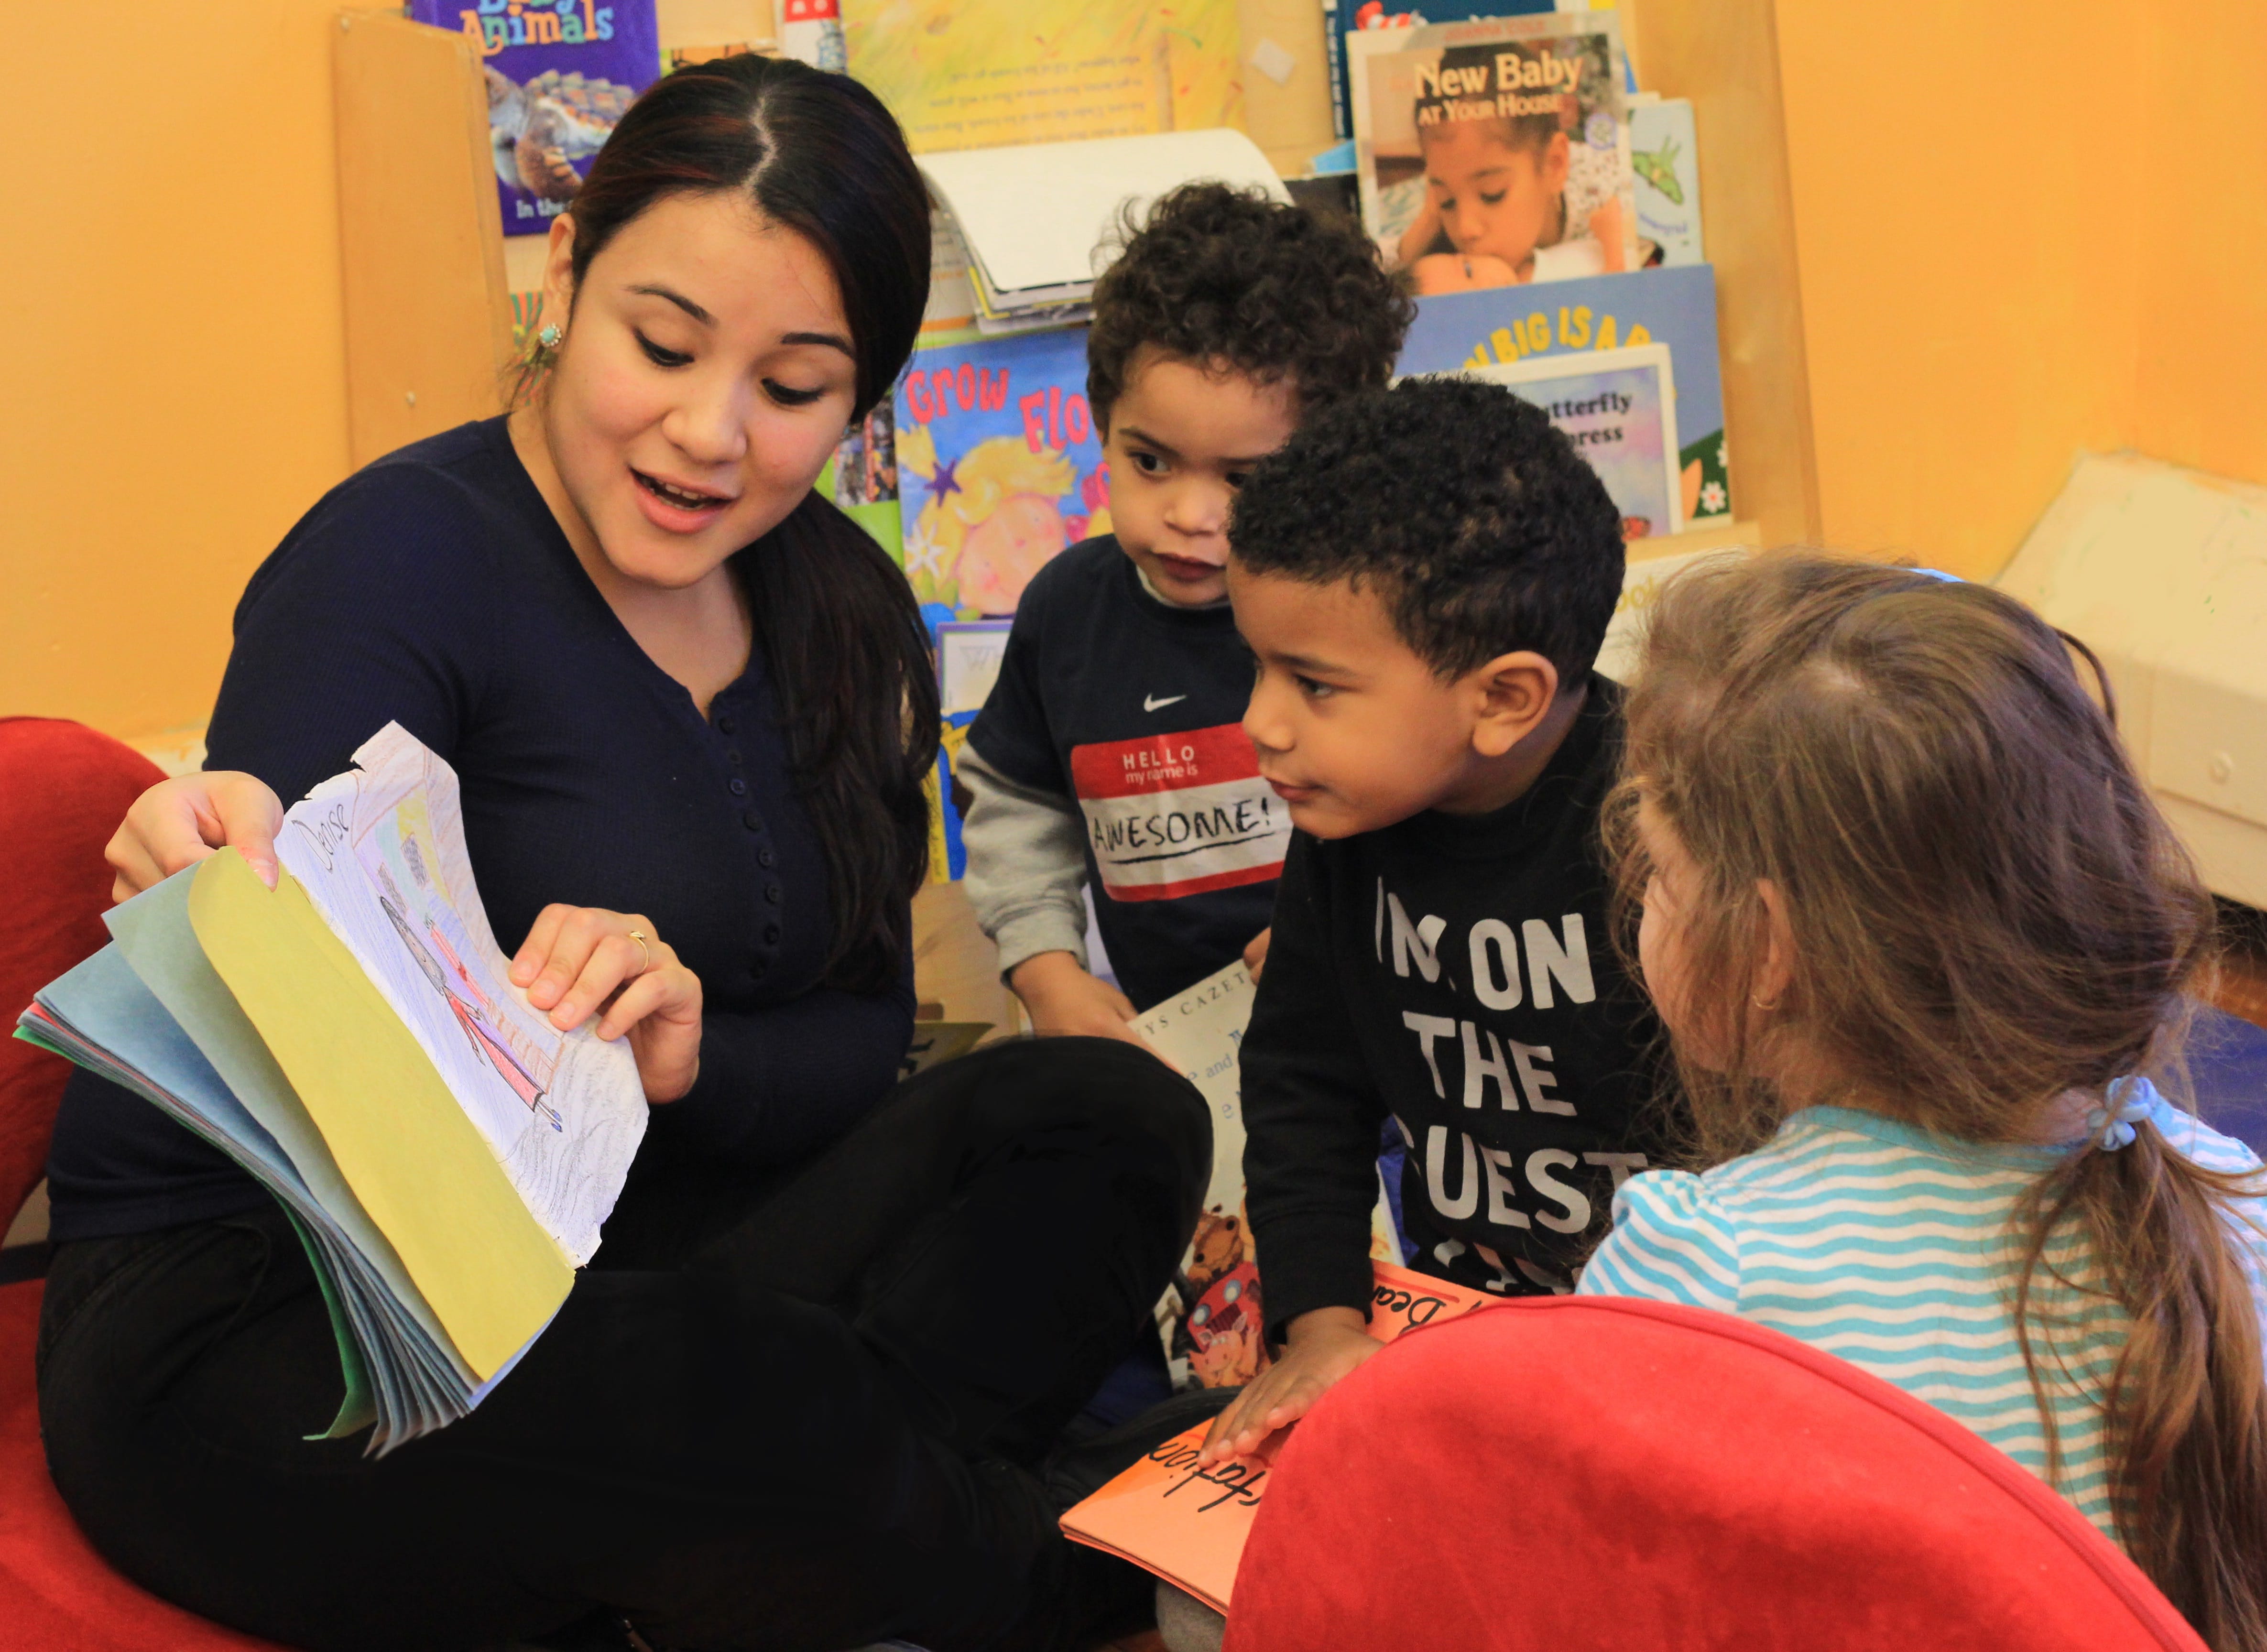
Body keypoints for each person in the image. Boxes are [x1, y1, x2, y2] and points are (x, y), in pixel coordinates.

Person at [41, 56, 1209, 1652]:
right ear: (568, 280)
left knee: (1110, 1113)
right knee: (731, 1382)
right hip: (280, 1312)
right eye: (659, 344)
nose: (706, 431)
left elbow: (866, 1031)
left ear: (859, 398)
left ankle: (789, 1543)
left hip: (643, 1262)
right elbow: (278, 971)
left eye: (792, 387)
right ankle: (1069, 1558)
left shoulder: (845, 612)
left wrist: (688, 1055)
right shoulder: (394, 560)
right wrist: (211, 864)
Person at [1578, 554, 2267, 1649]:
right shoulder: (2233, 1200)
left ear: (1765, 948)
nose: (1631, 891)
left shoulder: (1705, 1264)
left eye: (1656, 865)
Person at [1197, 377, 1667, 1468]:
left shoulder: (1670, 837)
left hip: (1674, 1351)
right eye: (1256, 665)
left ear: (1502, 698)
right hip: (1457, 1338)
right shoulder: (1352, 818)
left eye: (1313, 685)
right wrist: (1321, 1327)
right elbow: (1303, 1080)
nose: (1258, 723)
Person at [959, 183, 1415, 1036]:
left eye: (1242, 480)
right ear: (1104, 426)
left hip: (1369, 1035)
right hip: (1172, 1050)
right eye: (1151, 462)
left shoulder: (1371, 614)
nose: (1191, 515)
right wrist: (1045, 968)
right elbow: (1017, 799)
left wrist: (1359, 935)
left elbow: (1448, 809)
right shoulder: (1064, 612)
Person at [1393, 42, 1627, 295]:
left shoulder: (1609, 197)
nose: (1465, 229)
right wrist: (1429, 219)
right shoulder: (1444, 210)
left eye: (1492, 194)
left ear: (1555, 165)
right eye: (1447, 201)